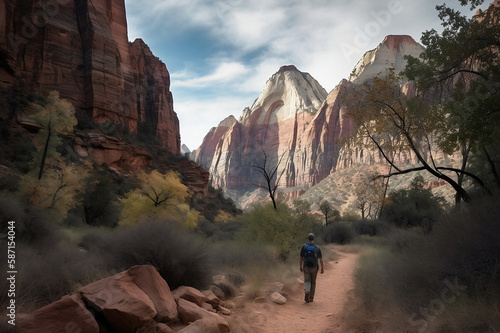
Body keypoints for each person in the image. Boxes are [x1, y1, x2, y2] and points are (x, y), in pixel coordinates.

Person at [299, 233, 324, 303]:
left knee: (307, 281)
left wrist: (300, 266)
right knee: (313, 282)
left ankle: (307, 291)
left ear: (308, 238)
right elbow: (321, 259)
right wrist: (322, 268)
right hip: (314, 267)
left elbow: (301, 257)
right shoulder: (317, 247)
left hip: (306, 267)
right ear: (313, 239)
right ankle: (311, 297)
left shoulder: (304, 246)